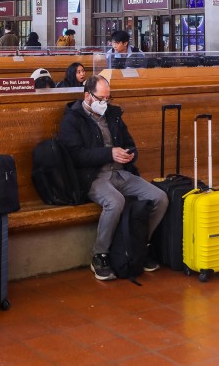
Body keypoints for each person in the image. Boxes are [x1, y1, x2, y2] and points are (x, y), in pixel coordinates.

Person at [59, 75, 167, 280]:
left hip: (121, 172)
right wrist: (109, 154)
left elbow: (129, 142)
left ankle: (138, 247)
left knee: (159, 198)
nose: (105, 103)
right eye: (101, 98)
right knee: (115, 201)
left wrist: (130, 153)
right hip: (93, 176)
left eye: (108, 99)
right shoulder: (73, 119)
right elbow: (74, 155)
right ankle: (100, 255)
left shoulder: (113, 115)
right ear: (87, 96)